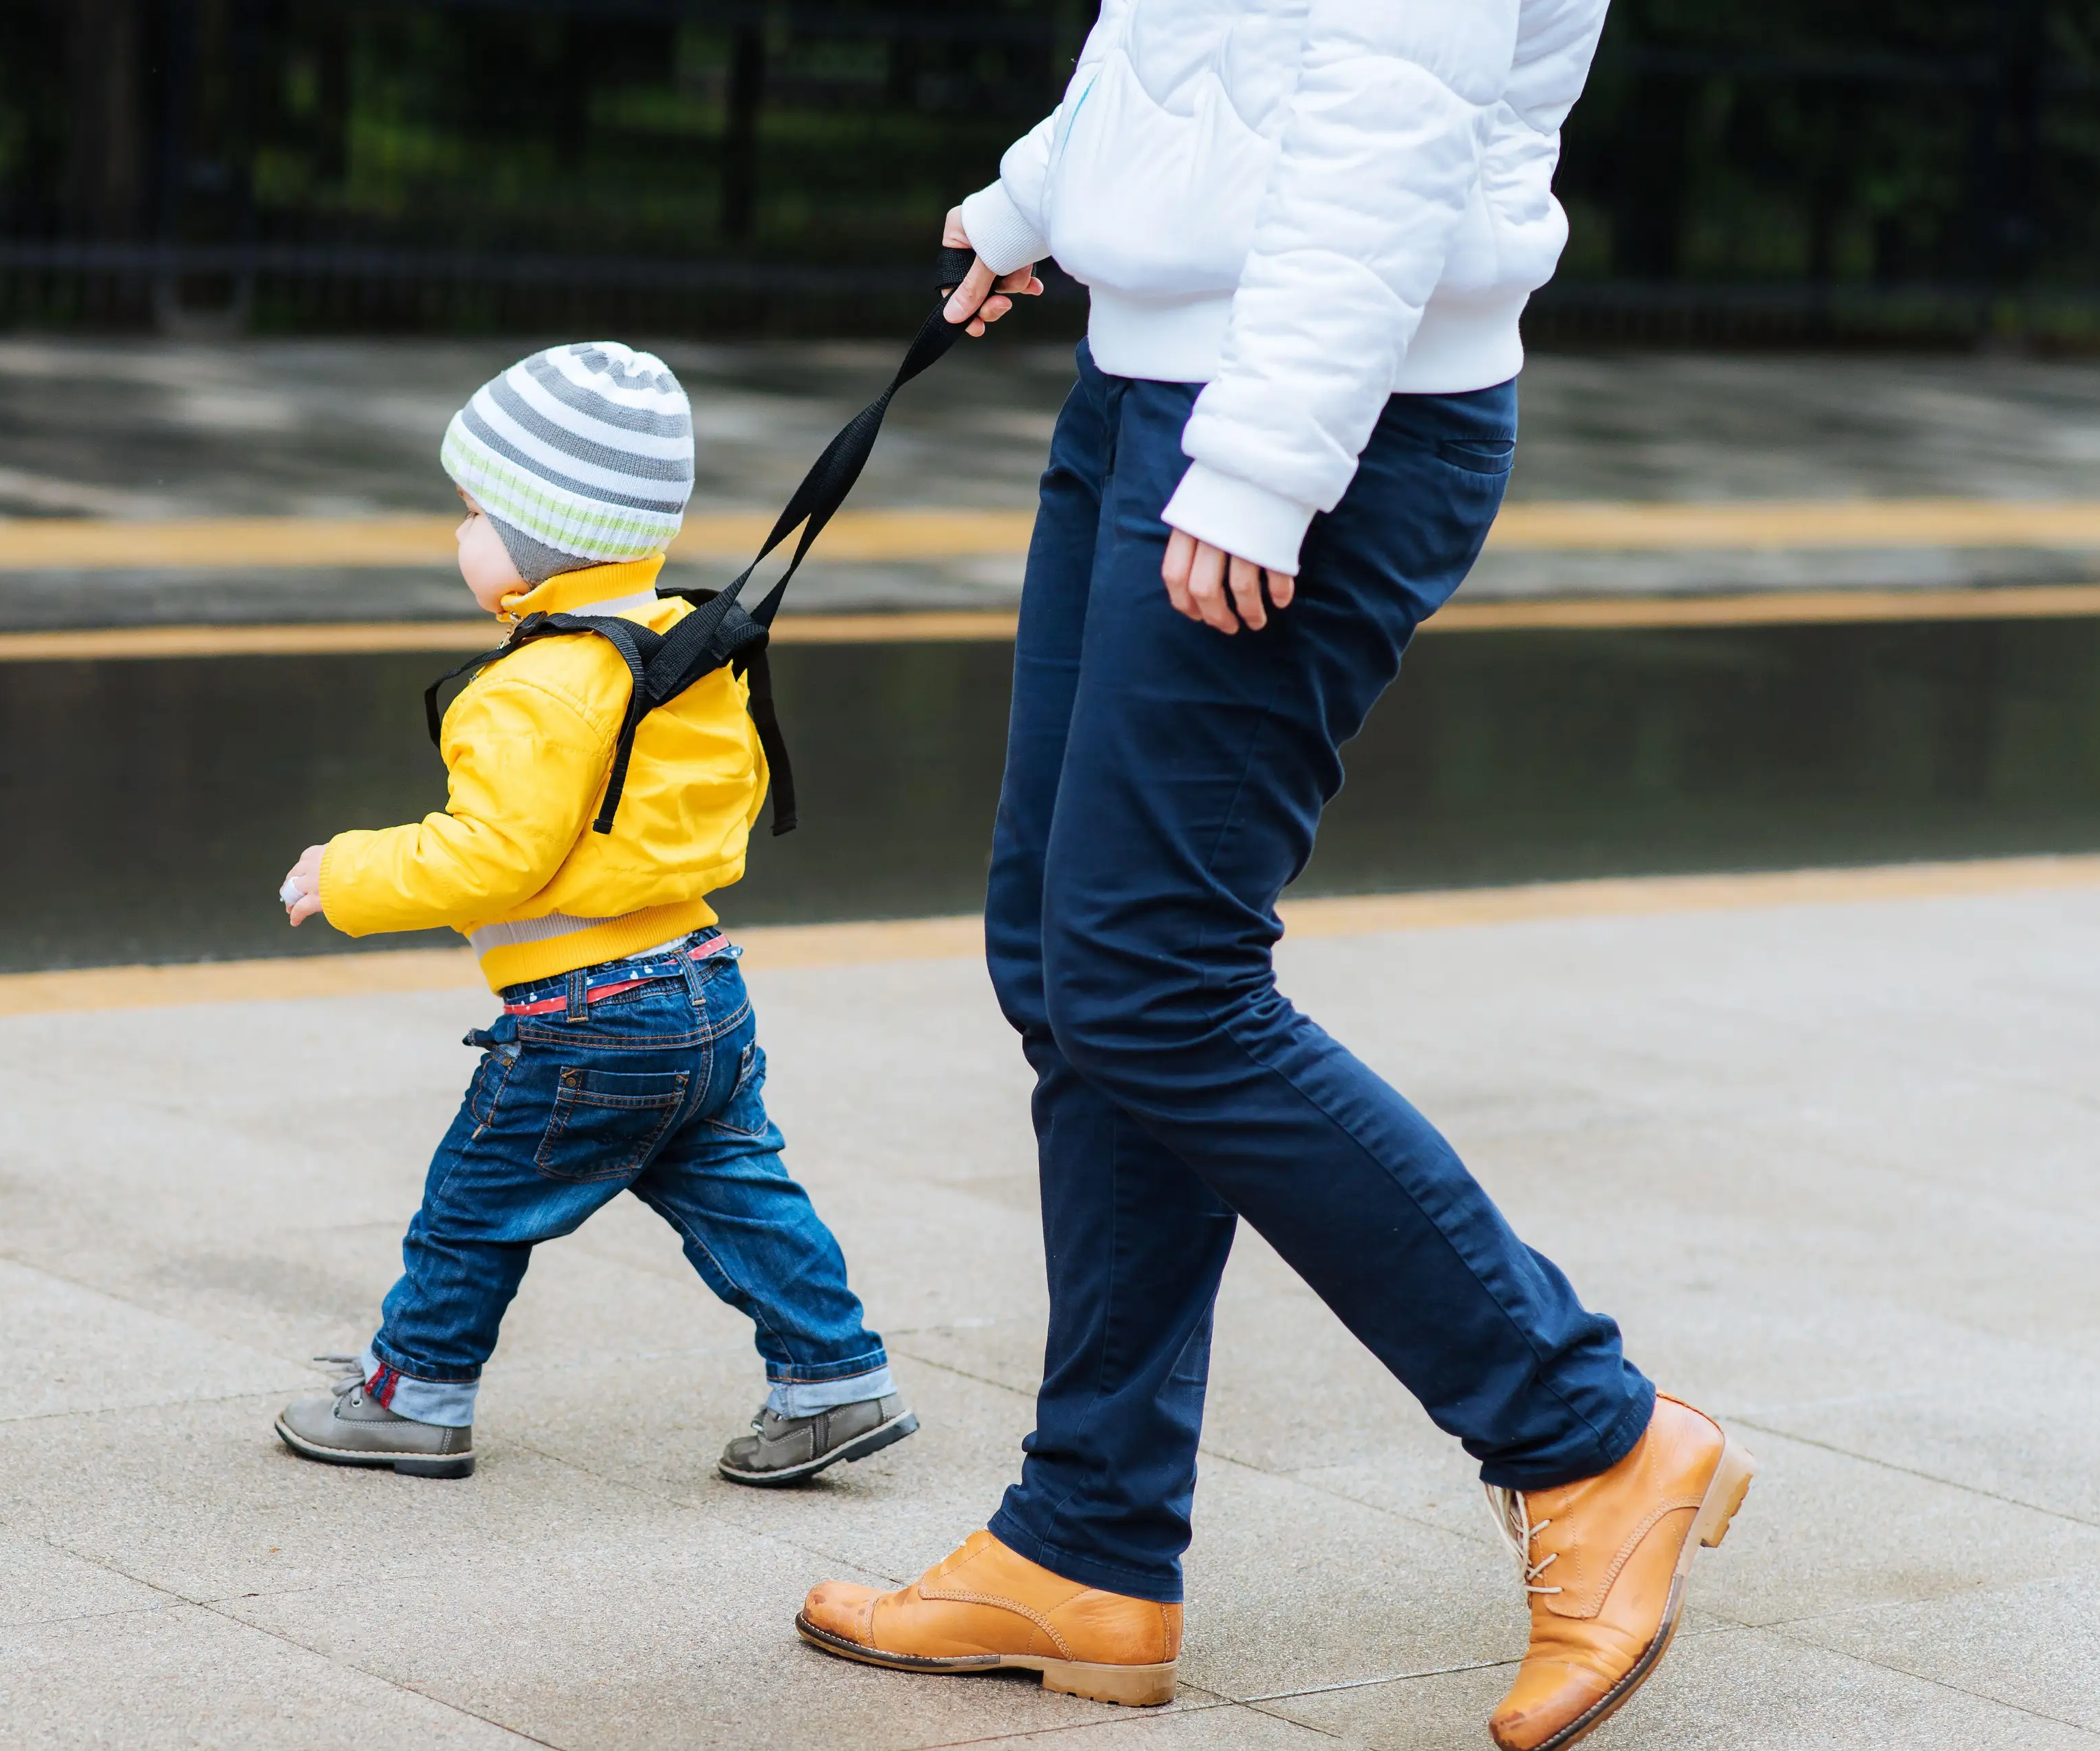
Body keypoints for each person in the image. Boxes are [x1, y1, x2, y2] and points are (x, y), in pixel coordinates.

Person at [793, 5, 1754, 1748]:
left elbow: (1390, 108)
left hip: (1318, 412)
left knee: (1157, 979)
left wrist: (1267, 452)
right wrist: (1044, 198)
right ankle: (1085, 1543)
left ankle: (1590, 1439)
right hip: (1161, 383)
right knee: (1071, 968)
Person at [271, 342, 914, 1488]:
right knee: (741, 1187)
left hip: (585, 1013)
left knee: (472, 1207)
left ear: (535, 542)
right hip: (701, 982)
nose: (455, 538)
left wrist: (351, 872)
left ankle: (413, 1395)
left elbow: (493, 858)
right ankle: (835, 1375)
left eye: (471, 514)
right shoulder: (684, 649)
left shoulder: (534, 686)